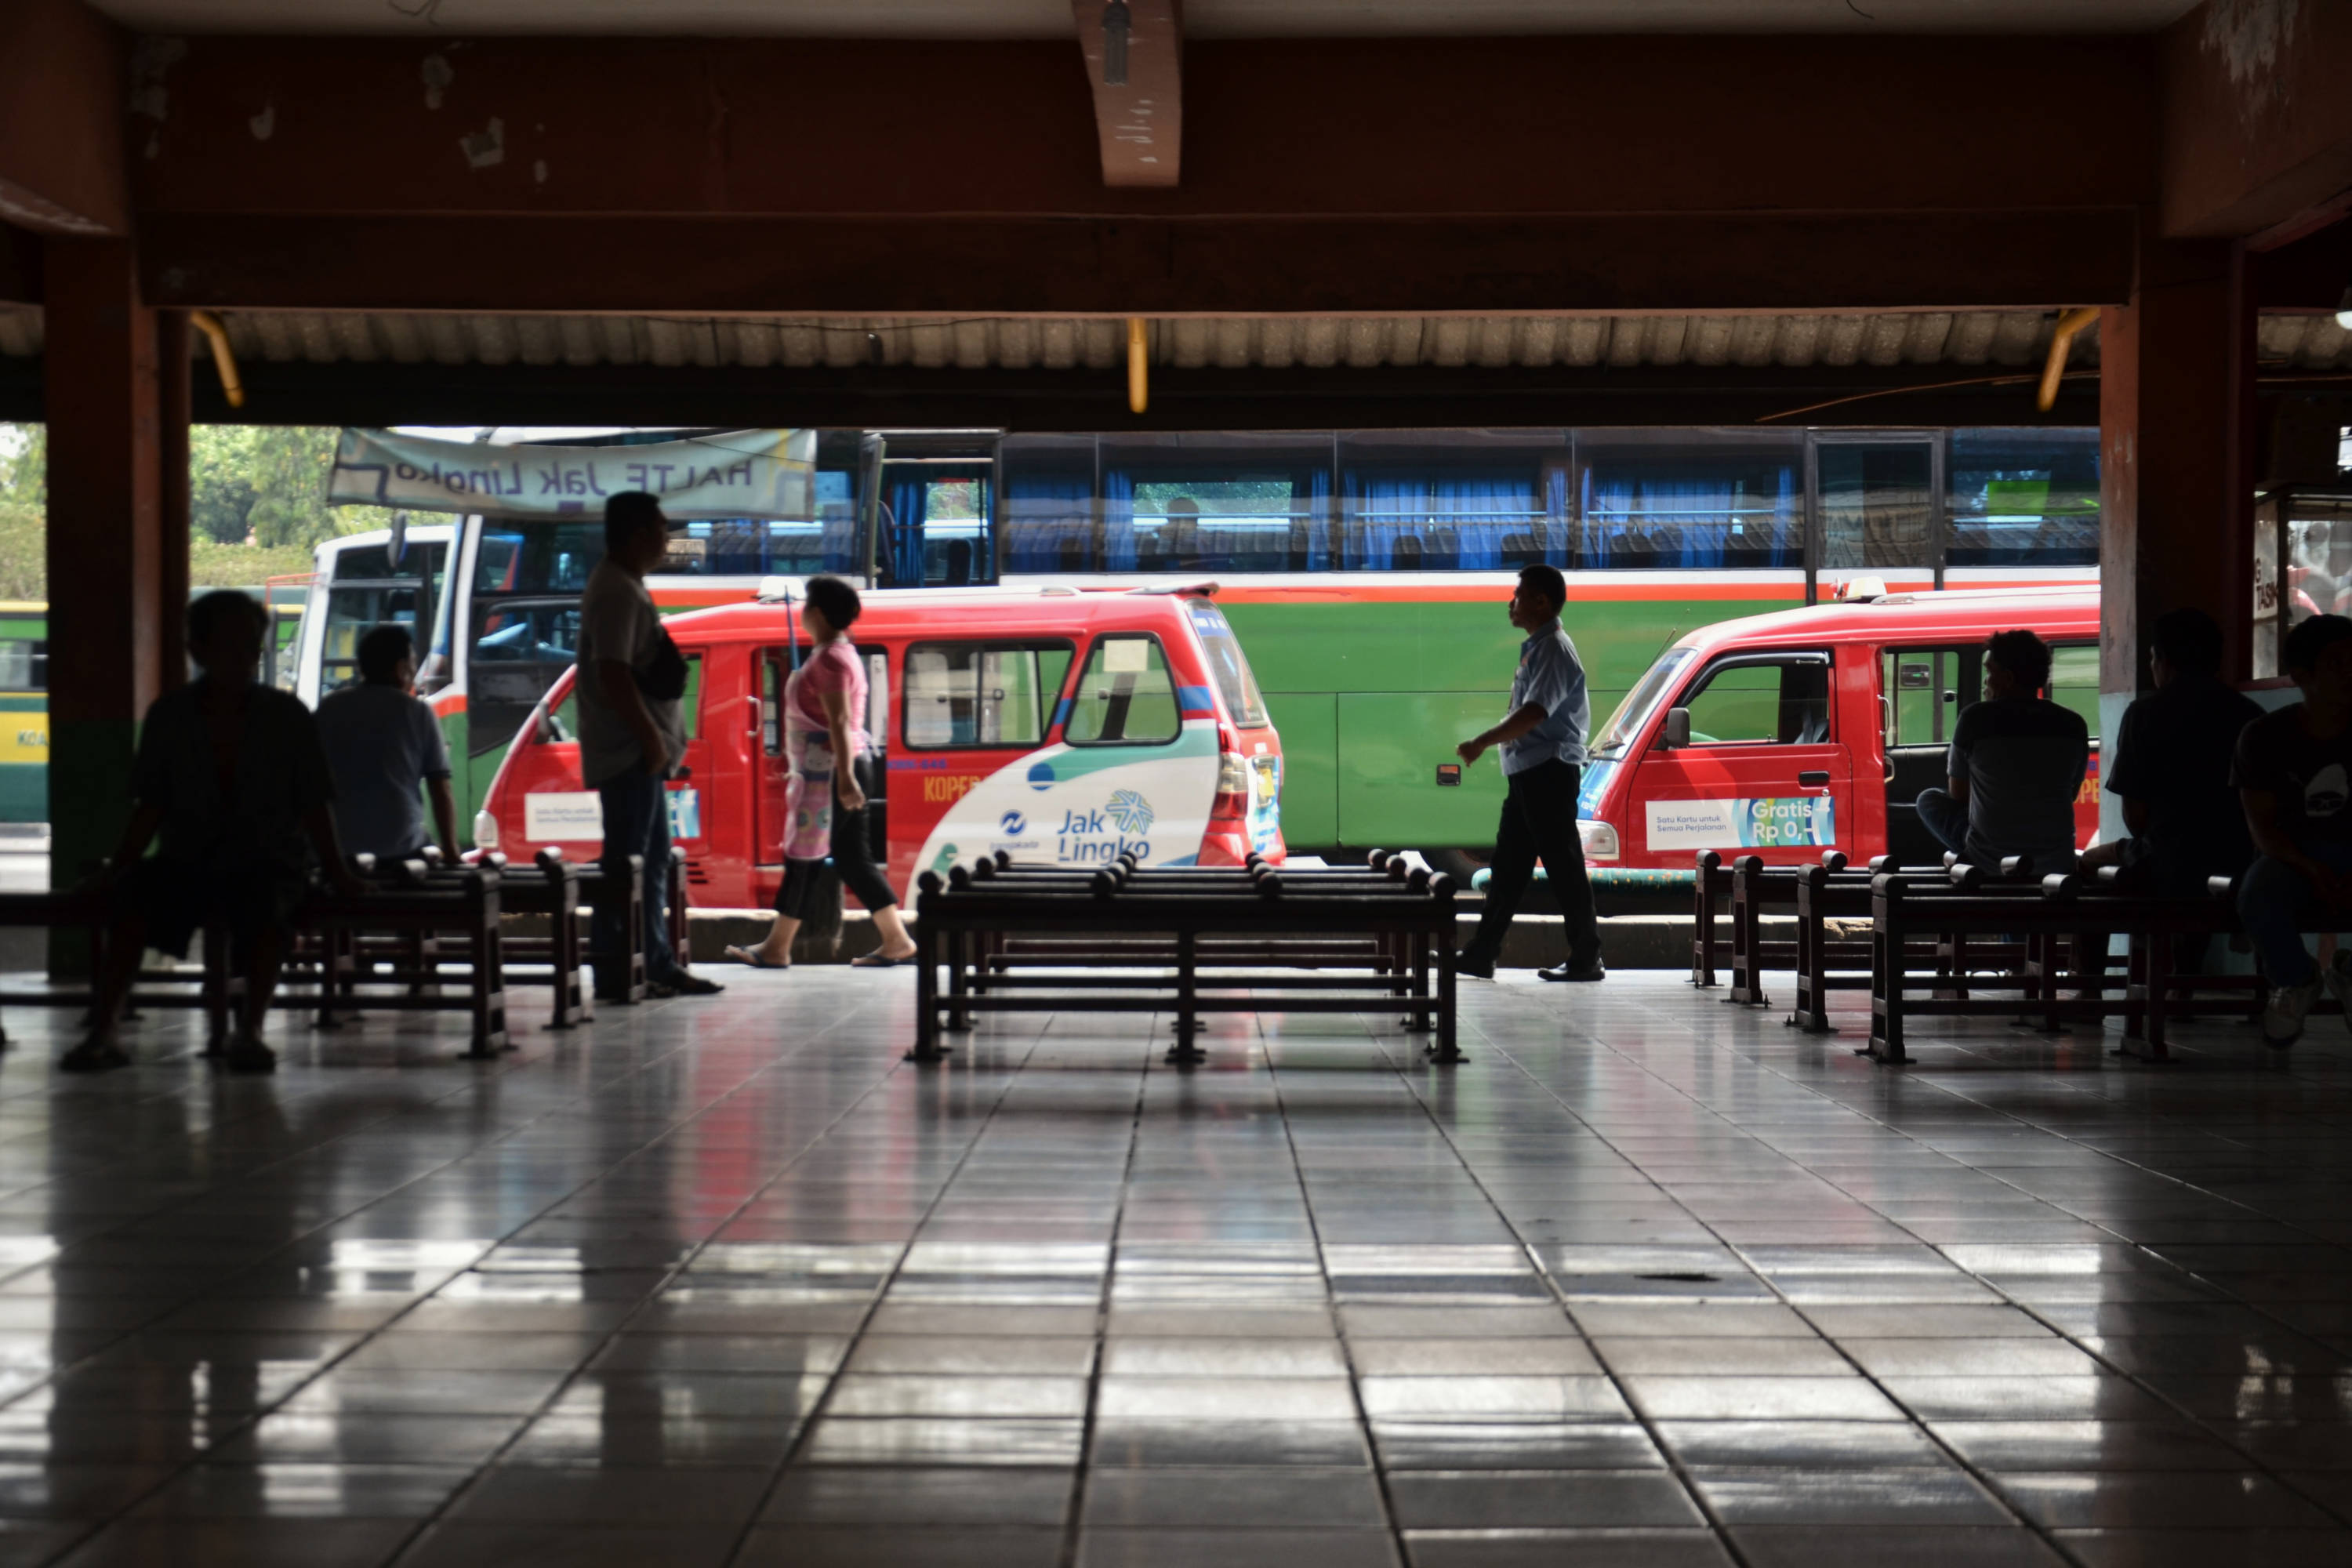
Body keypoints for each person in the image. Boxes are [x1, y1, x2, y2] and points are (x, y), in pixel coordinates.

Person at [71, 591, 361, 1074]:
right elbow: (150, 808)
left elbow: (315, 804)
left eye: (251, 646)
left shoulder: (288, 716)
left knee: (269, 912)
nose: (244, 657)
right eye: (231, 645)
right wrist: (117, 869)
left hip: (267, 861)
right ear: (198, 649)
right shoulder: (170, 716)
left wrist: (337, 871)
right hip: (188, 862)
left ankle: (249, 1031)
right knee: (130, 902)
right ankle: (104, 1031)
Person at [725, 575, 918, 970]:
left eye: (806, 605)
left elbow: (840, 721)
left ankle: (778, 947)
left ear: (816, 612)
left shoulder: (830, 658)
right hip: (836, 769)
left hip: (831, 773)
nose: (802, 612)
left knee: (804, 856)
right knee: (851, 860)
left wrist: (844, 778)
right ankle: (896, 939)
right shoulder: (840, 653)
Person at [577, 491, 721, 1001]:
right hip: (629, 753)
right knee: (628, 862)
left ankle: (654, 962)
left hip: (641, 753)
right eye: (662, 528)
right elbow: (613, 673)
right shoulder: (616, 590)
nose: (668, 538)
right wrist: (650, 741)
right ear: (639, 534)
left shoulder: (626, 585)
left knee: (652, 856)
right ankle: (616, 970)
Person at [1450, 562, 1604, 983]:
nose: (1510, 604)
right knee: (1510, 866)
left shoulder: (1554, 648)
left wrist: (1481, 741)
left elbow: (1534, 713)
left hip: (1548, 771)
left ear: (1540, 601)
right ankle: (1482, 952)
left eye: (1517, 596)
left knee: (1563, 865)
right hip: (1530, 773)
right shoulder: (1539, 648)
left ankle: (1587, 956)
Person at [2083, 608, 2262, 896]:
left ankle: (2143, 940)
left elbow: (2135, 817)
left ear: (2163, 659)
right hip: (2239, 860)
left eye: (2153, 657)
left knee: (2090, 861)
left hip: (2168, 859)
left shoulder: (2143, 714)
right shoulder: (2250, 714)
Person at [2234, 612, 2352, 1047]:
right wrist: (2308, 867)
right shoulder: (2263, 736)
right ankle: (2298, 979)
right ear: (2301, 676)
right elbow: (2262, 827)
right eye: (2337, 663)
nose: (2350, 672)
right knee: (2256, 897)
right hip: (2289, 855)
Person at [1914, 628, 2088, 873]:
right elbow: (2070, 793)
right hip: (2056, 859)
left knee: (1928, 800)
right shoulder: (2074, 724)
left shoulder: (1974, 719)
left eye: (1989, 672)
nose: (1986, 681)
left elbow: (1958, 793)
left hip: (1990, 858)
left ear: (2007, 679)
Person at [314, 624, 459, 864]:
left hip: (336, 849)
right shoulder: (418, 712)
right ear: (401, 668)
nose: (415, 672)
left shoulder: (329, 708)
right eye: (413, 663)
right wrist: (452, 853)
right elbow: (440, 789)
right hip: (398, 849)